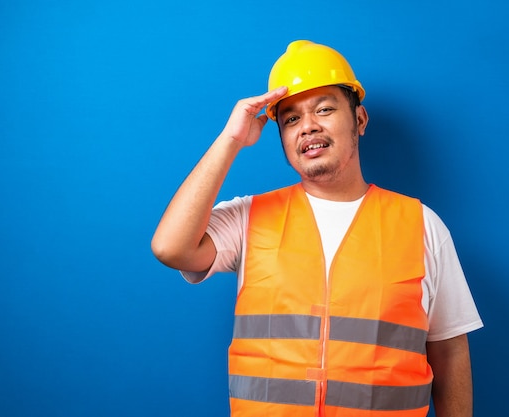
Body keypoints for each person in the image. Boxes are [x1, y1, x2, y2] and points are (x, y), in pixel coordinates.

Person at [151, 40, 483, 417]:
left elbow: (450, 350)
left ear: (359, 120)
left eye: (324, 109)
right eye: (291, 119)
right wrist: (231, 140)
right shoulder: (249, 218)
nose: (307, 126)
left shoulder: (422, 225)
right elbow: (170, 247)